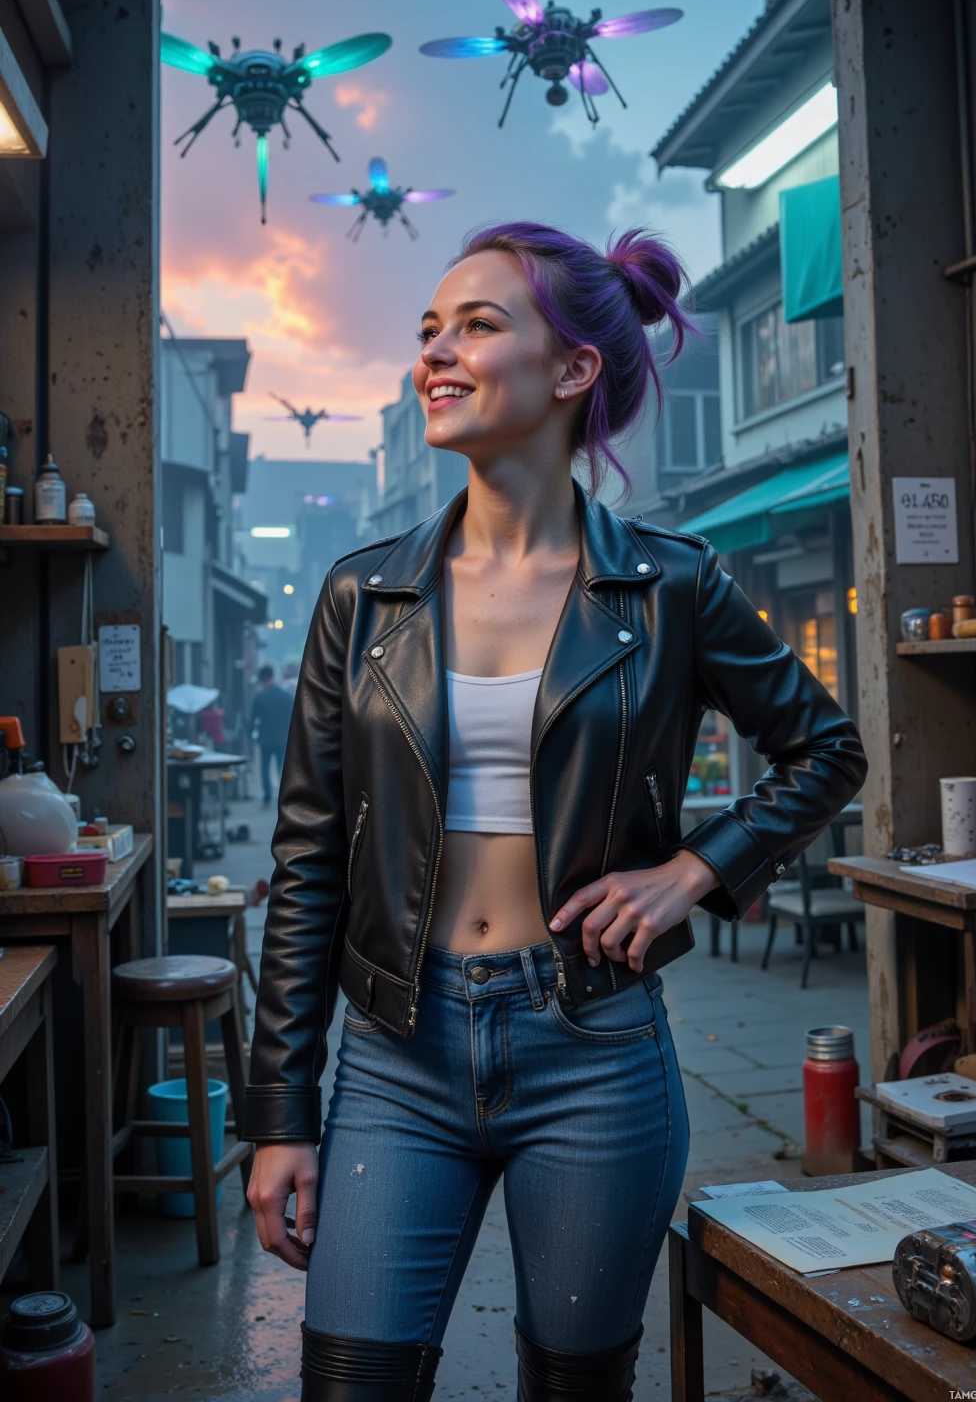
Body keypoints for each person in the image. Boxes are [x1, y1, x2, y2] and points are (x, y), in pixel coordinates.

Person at [243, 223, 867, 1402]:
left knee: (573, 1389)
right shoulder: (362, 598)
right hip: (395, 1052)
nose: (436, 350)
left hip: (592, 1047)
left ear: (574, 369)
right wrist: (280, 1110)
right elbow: (309, 856)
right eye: (428, 329)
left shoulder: (671, 586)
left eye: (478, 324)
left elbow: (825, 747)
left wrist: (692, 869)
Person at [250, 664, 293, 806]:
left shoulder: (259, 697)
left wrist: (251, 734)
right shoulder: (286, 696)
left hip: (265, 739)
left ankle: (268, 795)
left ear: (262, 678)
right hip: (282, 737)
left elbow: (253, 719)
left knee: (265, 768)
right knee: (283, 767)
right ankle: (284, 793)